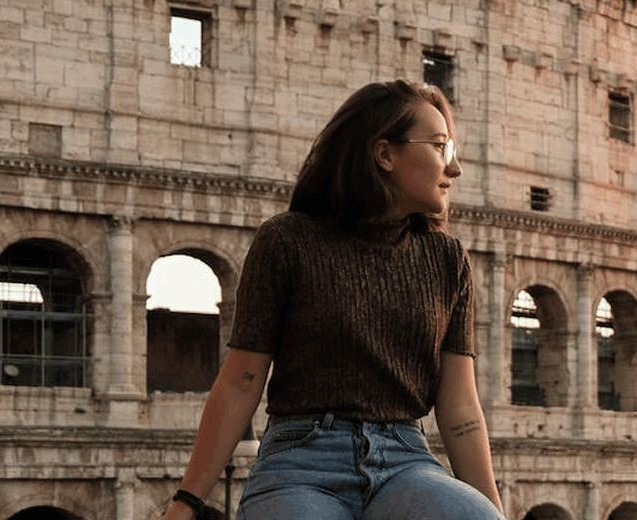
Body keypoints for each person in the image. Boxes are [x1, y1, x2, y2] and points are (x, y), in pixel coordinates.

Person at [161, 80, 505, 520]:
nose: (454, 169)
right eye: (441, 147)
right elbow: (240, 382)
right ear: (384, 154)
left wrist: (492, 510)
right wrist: (187, 501)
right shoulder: (286, 241)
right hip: (299, 460)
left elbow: (460, 412)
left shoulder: (447, 259)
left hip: (404, 460)